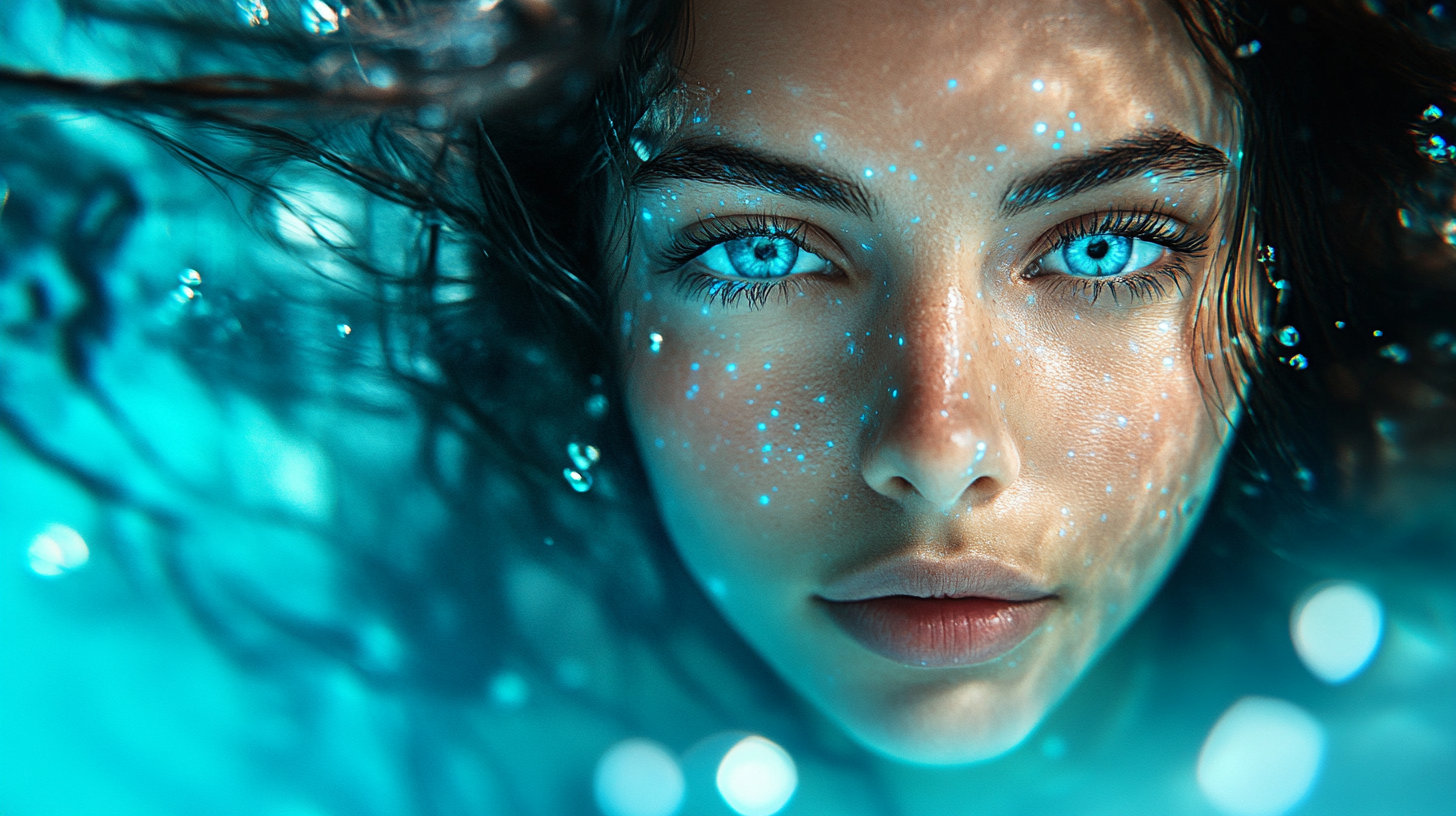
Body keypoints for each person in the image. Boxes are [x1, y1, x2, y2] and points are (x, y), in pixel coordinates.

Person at [1, 0, 1453, 813]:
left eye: (1104, 244)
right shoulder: (335, 687)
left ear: (1273, 271)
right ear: (590, 276)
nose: (937, 448)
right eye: (759, 251)